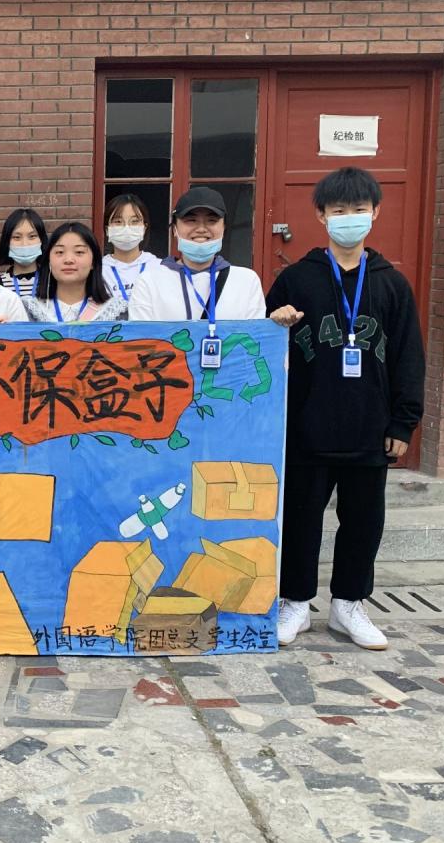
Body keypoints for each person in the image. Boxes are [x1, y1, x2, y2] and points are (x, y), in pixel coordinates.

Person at [266, 166, 426, 652]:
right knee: (300, 519)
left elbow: (408, 356)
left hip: (369, 428)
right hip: (307, 426)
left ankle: (349, 605)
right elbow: (262, 349)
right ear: (321, 215)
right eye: (339, 210)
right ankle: (295, 602)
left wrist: (404, 421)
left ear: (375, 213)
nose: (349, 218)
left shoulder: (391, 284)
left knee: (363, 521)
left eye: (359, 209)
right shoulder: (296, 279)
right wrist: (274, 321)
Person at [127, 186, 268, 323]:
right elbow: (141, 336)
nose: (201, 229)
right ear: (175, 229)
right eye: (191, 220)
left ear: (224, 228)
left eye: (211, 221)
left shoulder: (246, 281)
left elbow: (255, 336)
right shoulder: (149, 282)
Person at [23, 222, 127, 322]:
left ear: (93, 262)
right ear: (49, 260)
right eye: (60, 252)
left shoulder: (115, 311)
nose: (68, 260)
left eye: (79, 252)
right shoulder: (29, 310)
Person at [101, 193, 161, 303]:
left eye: (134, 221)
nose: (126, 228)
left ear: (144, 227)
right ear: (107, 229)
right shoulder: (98, 271)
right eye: (118, 222)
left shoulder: (160, 267)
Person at [0, 207, 48, 298]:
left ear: (41, 240)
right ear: (7, 242)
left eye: (32, 236)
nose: (25, 244)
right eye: (17, 237)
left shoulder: (53, 283)